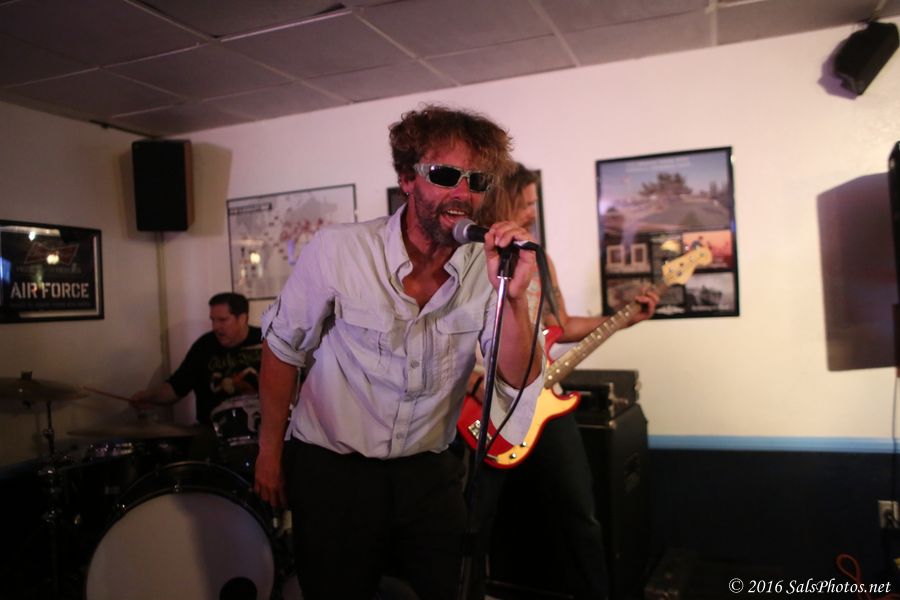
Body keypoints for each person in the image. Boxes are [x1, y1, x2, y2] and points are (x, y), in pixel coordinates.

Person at [252, 105, 545, 600]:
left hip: (428, 471)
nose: (462, 193)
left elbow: (518, 379)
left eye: (476, 181)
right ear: (408, 178)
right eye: (445, 175)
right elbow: (282, 349)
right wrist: (269, 452)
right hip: (334, 469)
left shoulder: (488, 268)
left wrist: (514, 298)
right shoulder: (339, 250)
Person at [466, 163, 660, 600]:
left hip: (544, 403)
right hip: (484, 409)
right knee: (474, 527)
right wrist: (474, 384)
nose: (532, 213)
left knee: (580, 514)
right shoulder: (465, 261)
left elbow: (561, 324)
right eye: (526, 203)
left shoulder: (538, 259)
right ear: (502, 200)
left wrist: (624, 318)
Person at [130, 291, 262, 425]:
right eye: (213, 320)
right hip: (212, 430)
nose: (215, 327)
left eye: (222, 320)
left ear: (242, 319)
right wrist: (149, 396)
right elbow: (176, 387)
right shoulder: (204, 346)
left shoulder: (267, 341)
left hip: (262, 428)